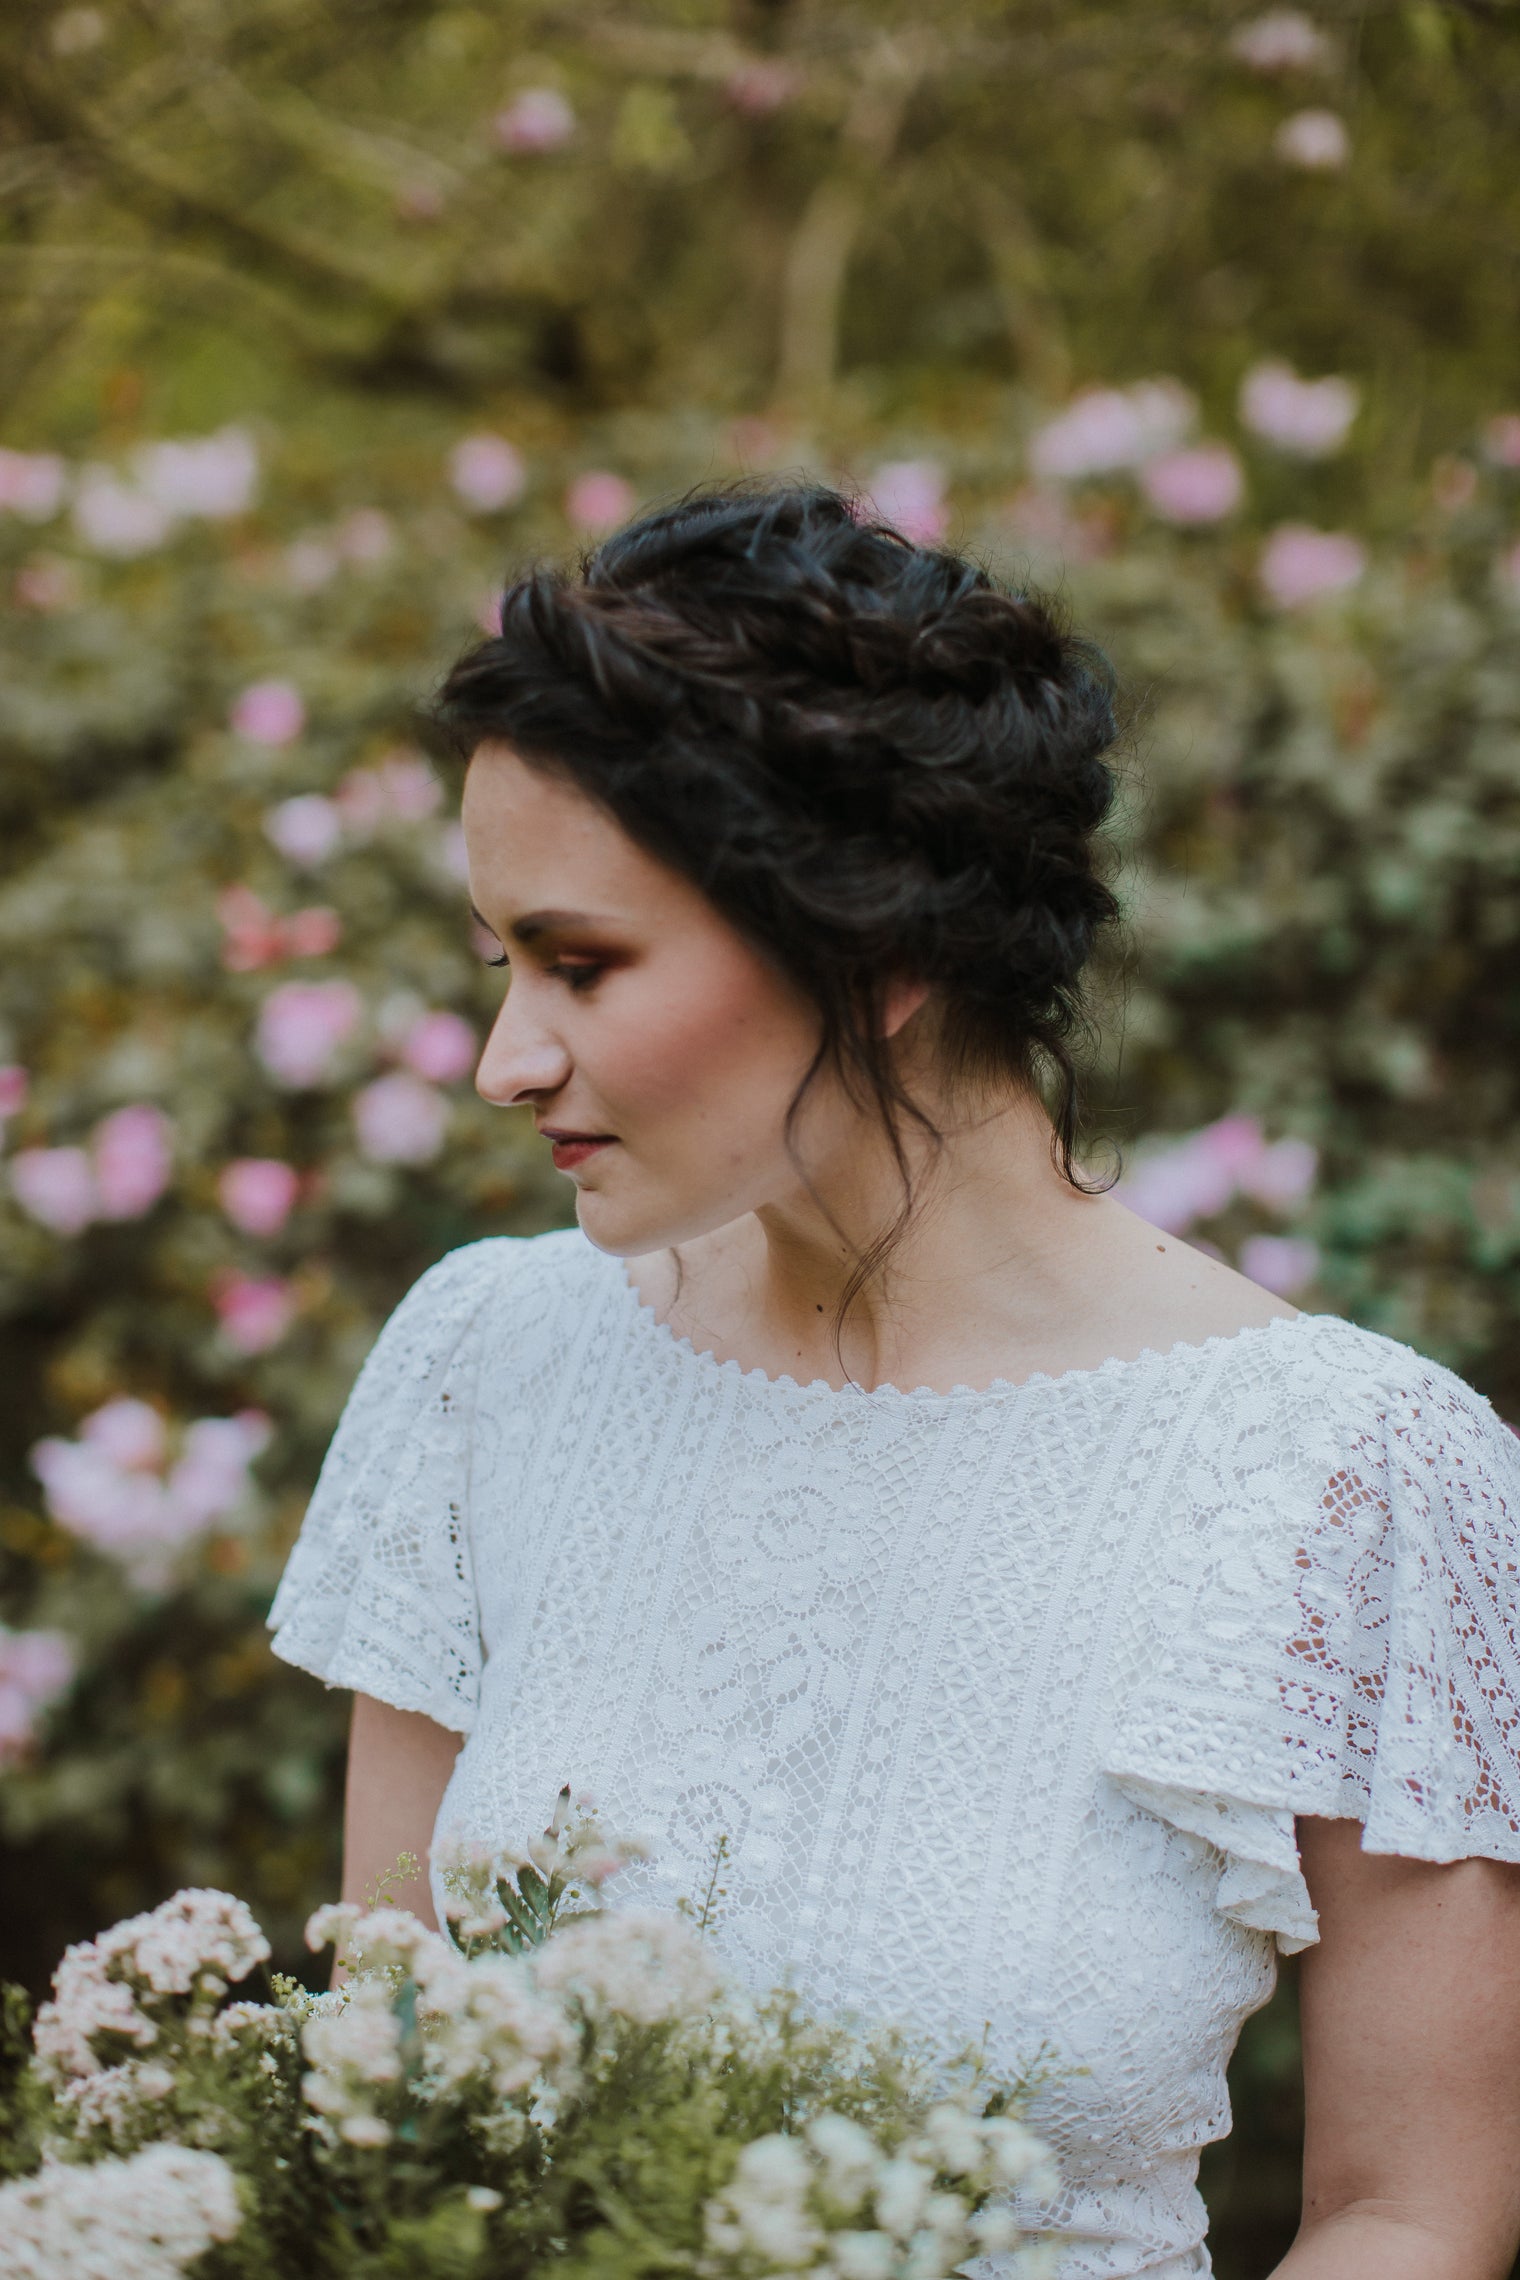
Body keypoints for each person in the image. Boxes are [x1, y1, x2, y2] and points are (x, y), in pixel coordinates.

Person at [269, 485, 1520, 2280]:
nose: (502, 1061)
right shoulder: (487, 1359)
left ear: (880, 945)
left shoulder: (1353, 1469)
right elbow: (385, 2097)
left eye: (580, 964)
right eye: (499, 964)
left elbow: (1414, 2211)